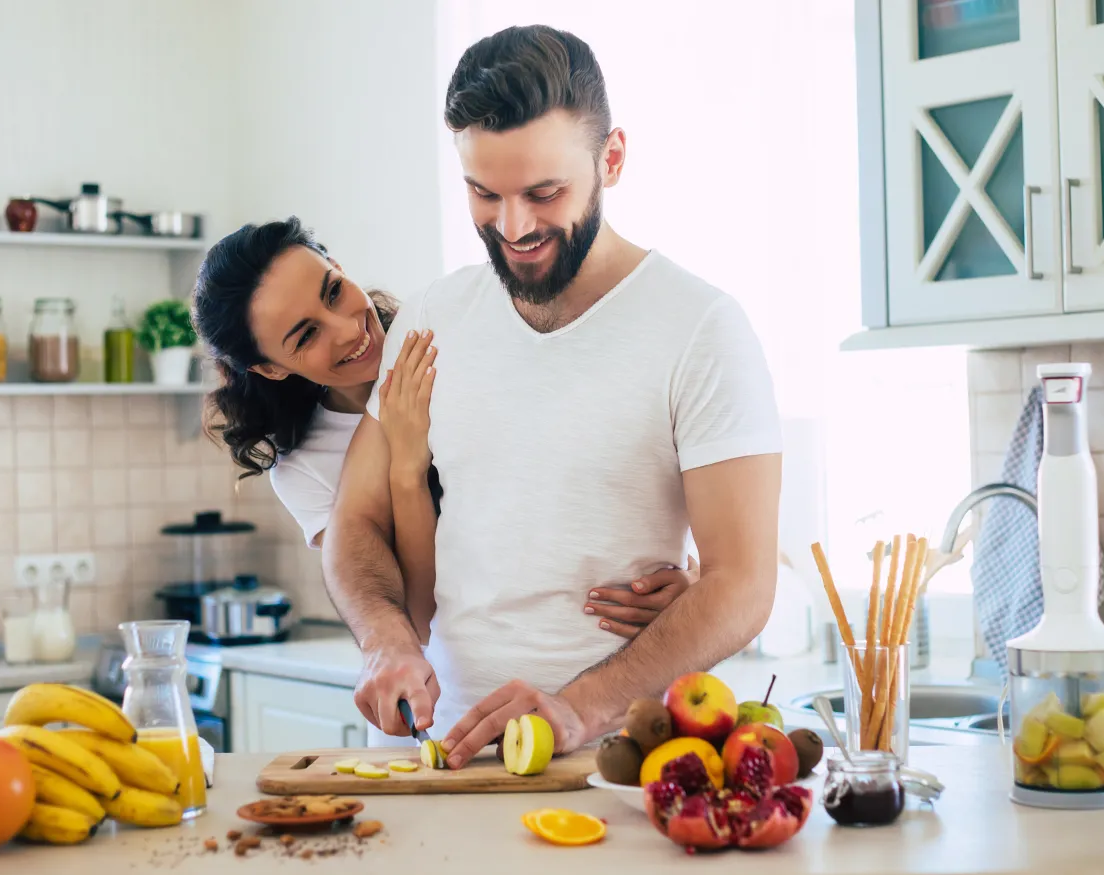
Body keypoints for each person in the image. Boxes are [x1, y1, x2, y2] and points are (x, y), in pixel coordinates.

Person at [327, 24, 783, 768]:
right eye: (484, 194)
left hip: (608, 763)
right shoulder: (433, 319)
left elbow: (742, 582)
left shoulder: (701, 328)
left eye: (544, 193)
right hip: (431, 755)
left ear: (612, 159)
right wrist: (385, 639)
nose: (513, 227)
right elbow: (356, 519)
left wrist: (575, 710)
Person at [190, 219, 697, 741]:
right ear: (271, 369)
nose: (345, 328)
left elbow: (563, 483)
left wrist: (690, 579)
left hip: (585, 692)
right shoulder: (305, 465)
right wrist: (405, 470)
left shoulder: (445, 336)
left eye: (334, 291)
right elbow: (420, 609)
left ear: (339, 269)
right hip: (439, 703)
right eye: (306, 335)